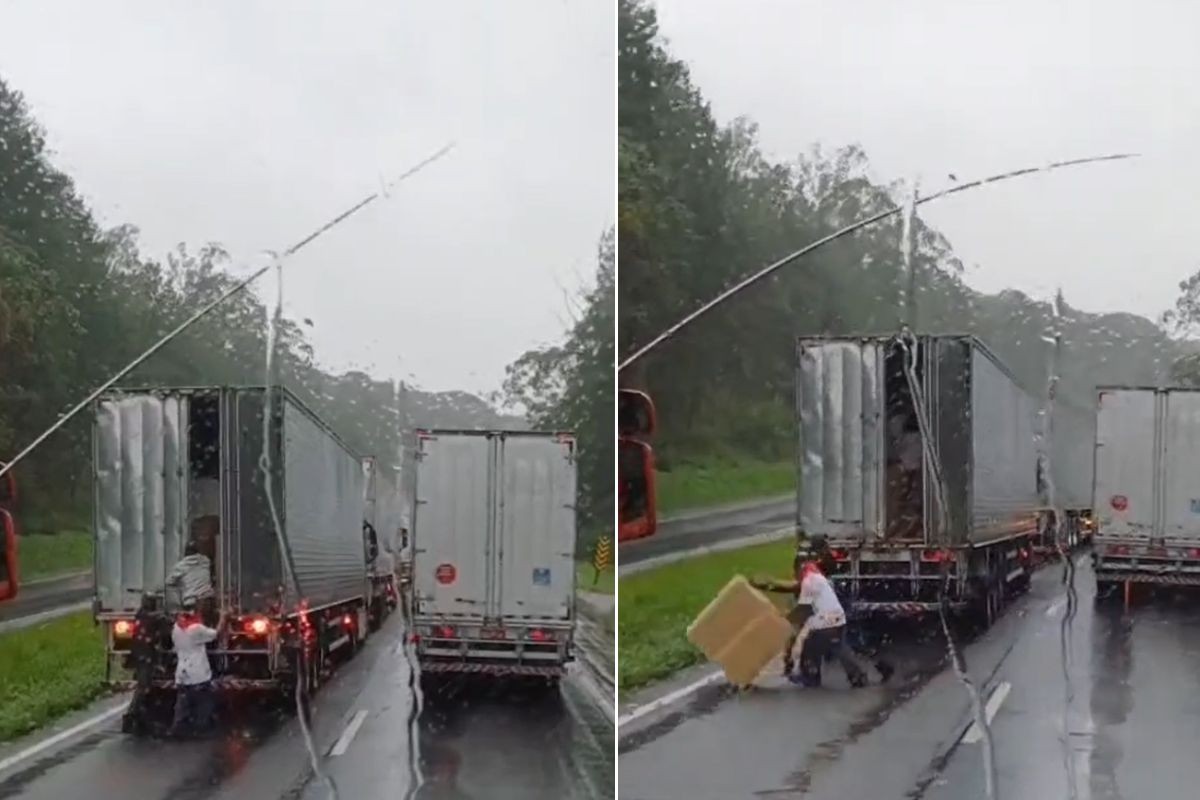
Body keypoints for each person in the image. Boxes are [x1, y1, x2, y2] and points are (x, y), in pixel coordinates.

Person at [753, 557, 869, 688]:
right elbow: (794, 588)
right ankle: (857, 676)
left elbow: (803, 611)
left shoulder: (809, 582)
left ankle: (810, 677)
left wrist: (784, 625)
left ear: (798, 569)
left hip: (826, 623)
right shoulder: (816, 577)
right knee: (839, 648)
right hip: (837, 619)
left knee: (811, 647)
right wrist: (767, 585)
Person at [168, 600, 227, 738]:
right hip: (198, 672)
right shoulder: (196, 629)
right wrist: (223, 618)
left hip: (182, 671)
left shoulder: (176, 628)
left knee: (183, 702)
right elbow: (215, 634)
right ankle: (201, 728)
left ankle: (178, 728)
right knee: (204, 702)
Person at [167, 538, 216, 625]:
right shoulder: (206, 561)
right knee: (207, 625)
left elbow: (169, 582)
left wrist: (180, 586)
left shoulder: (181, 566)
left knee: (192, 627)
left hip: (191, 602)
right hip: (207, 601)